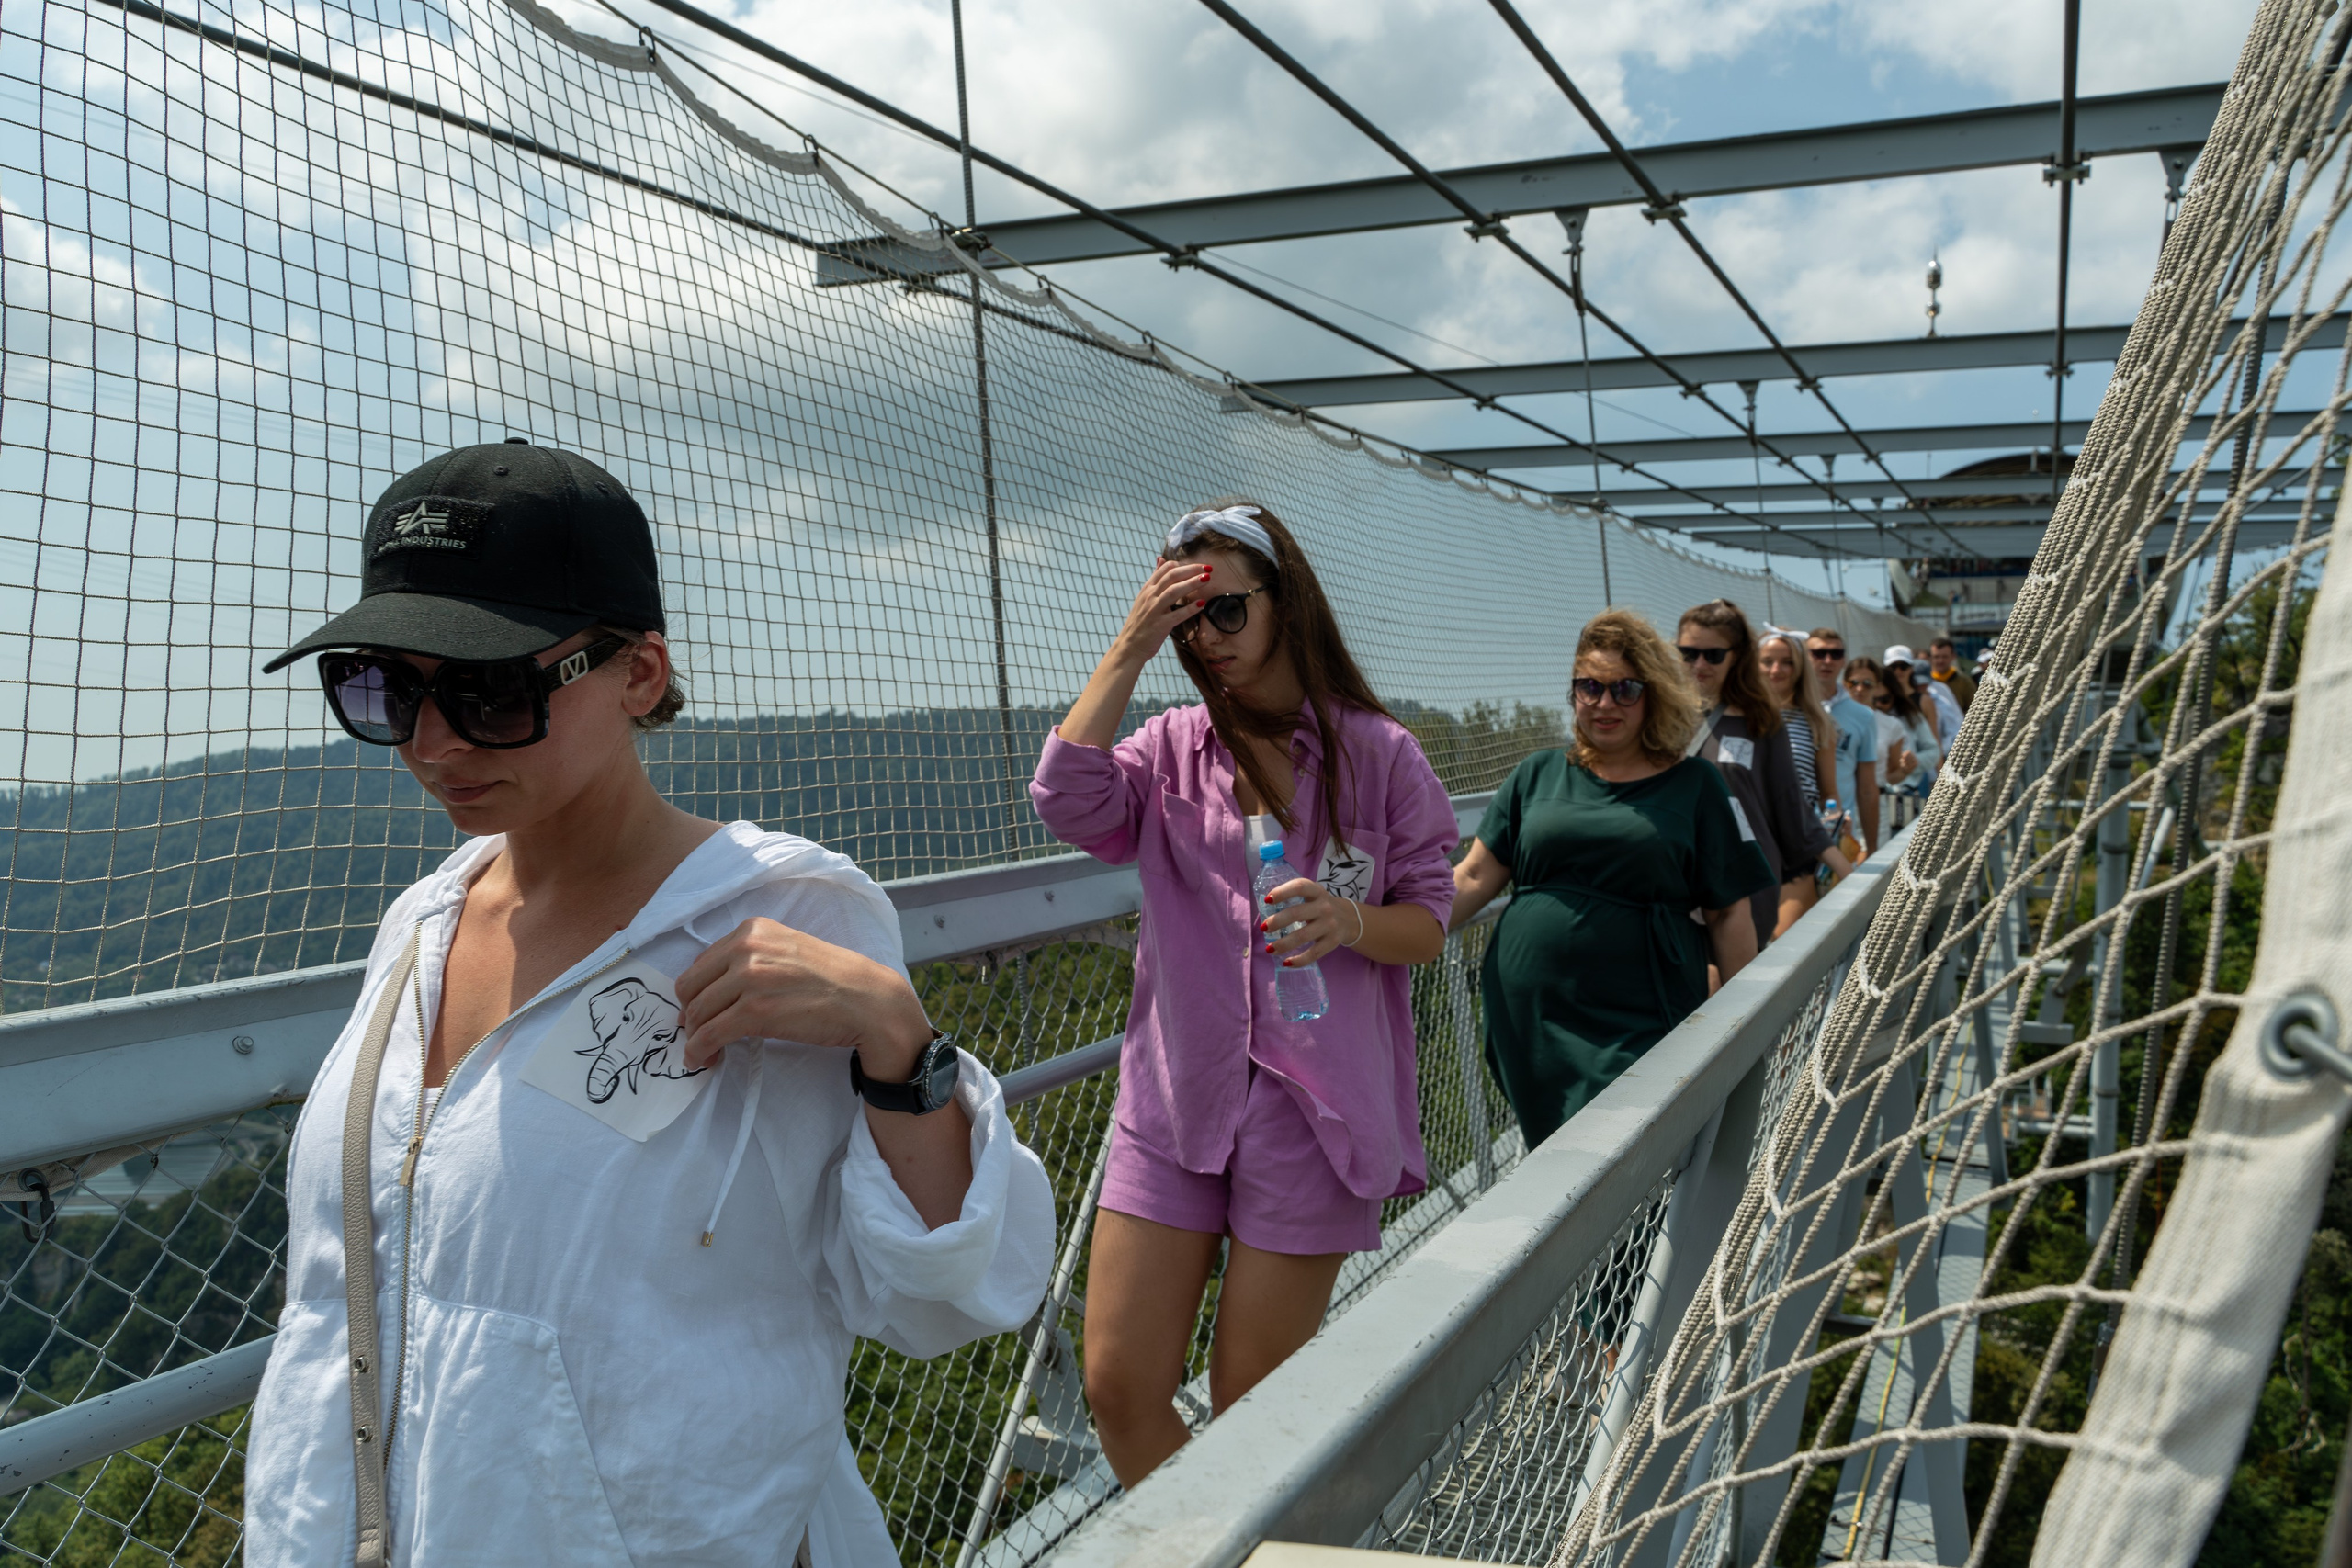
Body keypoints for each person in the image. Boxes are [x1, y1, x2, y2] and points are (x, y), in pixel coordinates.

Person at [246, 443, 1055, 1568]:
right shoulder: (421, 928)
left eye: (489, 690)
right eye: (383, 687)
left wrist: (897, 1044)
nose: (432, 743)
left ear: (635, 672)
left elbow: (937, 1297)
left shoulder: (776, 917)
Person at [1029, 500, 1455, 1489]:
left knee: (1250, 1417)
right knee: (1120, 1389)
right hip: (1175, 1104)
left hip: (1316, 1117)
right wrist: (1129, 649)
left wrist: (1348, 922)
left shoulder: (1377, 753)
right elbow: (1066, 798)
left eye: (1225, 610)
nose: (1205, 638)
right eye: (1186, 618)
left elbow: (1429, 922)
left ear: (1285, 600)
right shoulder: (1170, 745)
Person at [1449, 610, 1772, 1149]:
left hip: (1640, 1008)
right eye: (1590, 687)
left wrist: (1745, 1027)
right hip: (1533, 1020)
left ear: (1653, 693)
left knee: (1633, 1156)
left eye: (1624, 688)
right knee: (1556, 1160)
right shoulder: (1537, 774)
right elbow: (1474, 877)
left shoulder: (1695, 785)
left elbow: (1729, 912)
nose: (1604, 703)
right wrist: (1377, 929)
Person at [1675, 599, 1837, 950]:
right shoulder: (1659, 718)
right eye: (1688, 653)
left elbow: (1790, 805)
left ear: (1736, 656)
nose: (1699, 664)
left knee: (1723, 992)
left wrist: (1852, 877)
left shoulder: (1760, 722)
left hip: (1742, 884)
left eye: (1713, 655)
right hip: (1675, 879)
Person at [1758, 626, 1854, 932]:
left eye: (1787, 662)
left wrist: (1835, 821)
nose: (1777, 670)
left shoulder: (1817, 722)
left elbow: (1828, 792)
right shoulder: (1737, 719)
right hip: (1746, 844)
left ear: (1799, 669)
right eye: (1768, 661)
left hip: (1799, 844)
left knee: (1782, 945)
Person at [1805, 628, 1883, 854]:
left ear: (1843, 661)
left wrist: (1872, 848)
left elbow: (1867, 789)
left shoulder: (1864, 716)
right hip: (1790, 835)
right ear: (1804, 657)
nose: (1827, 660)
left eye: (1836, 654)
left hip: (1837, 835)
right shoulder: (1784, 709)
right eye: (1818, 654)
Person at [1849, 654, 1937, 797]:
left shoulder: (1909, 716)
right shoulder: (1855, 720)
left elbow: (1933, 750)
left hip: (1905, 791)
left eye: (1885, 699)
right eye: (1875, 699)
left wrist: (1912, 763)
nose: (1878, 705)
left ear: (1894, 695)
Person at [1885, 642, 1963, 753]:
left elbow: (1949, 729)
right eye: (1893, 667)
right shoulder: (1879, 697)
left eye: (1903, 666)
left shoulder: (1933, 696)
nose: (1898, 671)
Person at [1928, 636, 1977, 711]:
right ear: (1930, 657)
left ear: (1953, 656)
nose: (1940, 661)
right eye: (1936, 657)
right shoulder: (1925, 683)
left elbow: (1974, 709)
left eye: (1945, 657)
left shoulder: (1964, 682)